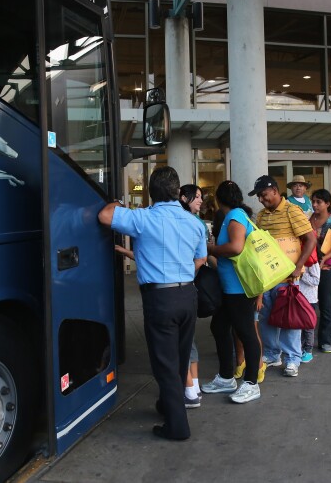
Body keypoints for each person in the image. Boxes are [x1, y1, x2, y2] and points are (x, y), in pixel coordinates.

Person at [97, 166, 206, 441]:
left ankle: (177, 426)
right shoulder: (195, 223)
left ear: (150, 193)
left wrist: (120, 202)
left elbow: (104, 215)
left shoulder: (143, 218)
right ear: (178, 193)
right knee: (180, 359)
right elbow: (199, 260)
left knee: (164, 364)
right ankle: (167, 405)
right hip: (188, 295)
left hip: (160, 298)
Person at [201, 180, 263, 403]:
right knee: (219, 327)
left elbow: (236, 247)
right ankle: (227, 377)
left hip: (239, 287)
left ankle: (251, 383)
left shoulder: (235, 216)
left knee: (246, 332)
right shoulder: (237, 214)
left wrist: (212, 249)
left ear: (218, 200)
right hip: (230, 287)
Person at [250, 175, 317, 377]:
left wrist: (298, 267)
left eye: (263, 195)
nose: (261, 200)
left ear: (274, 191)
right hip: (268, 277)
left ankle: (292, 358)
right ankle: (272, 354)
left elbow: (311, 239)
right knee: (267, 317)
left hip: (288, 278)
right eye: (259, 197)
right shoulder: (261, 215)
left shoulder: (292, 211)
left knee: (290, 318)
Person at [309, 188, 331, 354]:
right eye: (313, 201)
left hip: (326, 267)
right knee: (308, 304)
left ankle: (325, 340)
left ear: (328, 204)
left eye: (319, 202)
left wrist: (323, 259)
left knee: (325, 304)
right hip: (309, 266)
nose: (315, 205)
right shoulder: (309, 218)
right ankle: (306, 340)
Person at [179, 184, 206, 408]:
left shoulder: (188, 223)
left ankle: (189, 391)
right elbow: (201, 259)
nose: (200, 201)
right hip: (191, 288)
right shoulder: (196, 223)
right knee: (189, 339)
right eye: (196, 197)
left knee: (181, 342)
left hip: (182, 288)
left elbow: (201, 259)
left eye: (200, 197)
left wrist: (182, 274)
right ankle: (194, 387)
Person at [298, 261, 320, 362]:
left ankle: (308, 350)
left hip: (309, 299)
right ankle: (299, 348)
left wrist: (302, 273)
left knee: (308, 326)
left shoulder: (312, 262)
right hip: (297, 297)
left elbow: (316, 281)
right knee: (297, 325)